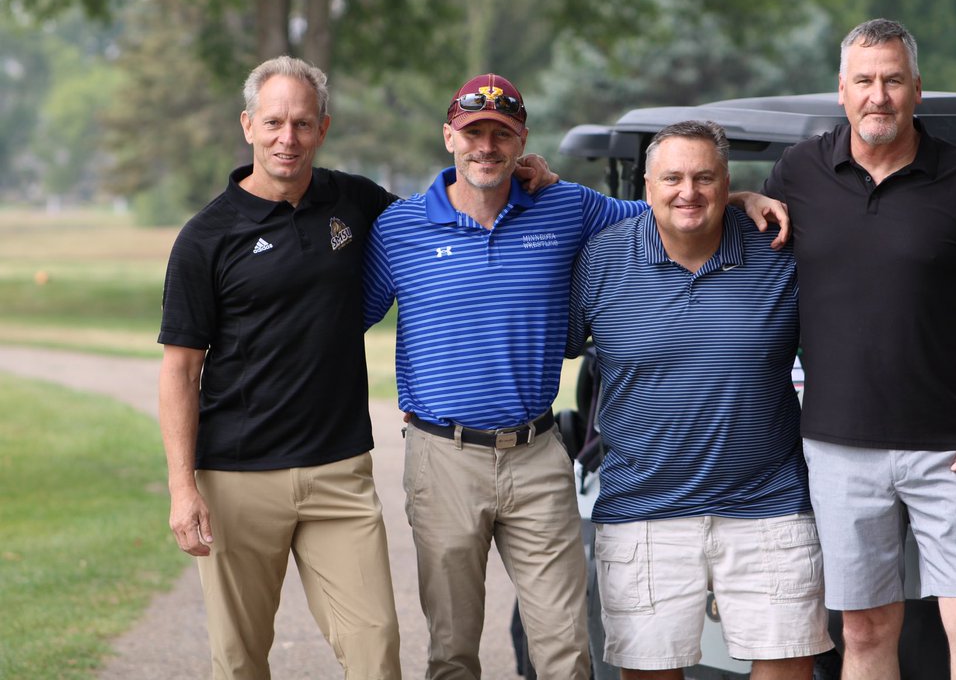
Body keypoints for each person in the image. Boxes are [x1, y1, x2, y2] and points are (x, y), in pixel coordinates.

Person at [361, 74, 787, 680]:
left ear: (521, 142)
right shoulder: (399, 229)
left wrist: (741, 197)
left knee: (565, 649)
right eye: (473, 132)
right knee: (452, 649)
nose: (487, 147)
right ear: (449, 136)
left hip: (535, 453)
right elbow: (345, 317)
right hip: (442, 453)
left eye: (501, 135)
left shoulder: (566, 207)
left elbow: (673, 210)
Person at [763, 19, 956, 680]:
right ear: (841, 90)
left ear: (917, 89)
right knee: (865, 629)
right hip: (839, 444)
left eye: (893, 80)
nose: (878, 95)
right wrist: (746, 196)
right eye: (864, 80)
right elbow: (700, 212)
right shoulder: (797, 174)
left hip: (954, 444)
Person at [157, 56, 405, 679]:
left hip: (338, 470)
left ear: (323, 128)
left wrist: (517, 177)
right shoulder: (204, 238)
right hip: (237, 477)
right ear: (247, 126)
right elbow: (181, 371)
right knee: (239, 662)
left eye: (301, 123)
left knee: (377, 651)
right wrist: (183, 489)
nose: (286, 138)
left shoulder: (355, 200)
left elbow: (441, 223)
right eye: (273, 122)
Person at [565, 120, 834, 679]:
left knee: (788, 668)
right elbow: (540, 343)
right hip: (642, 513)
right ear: (646, 186)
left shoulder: (780, 248)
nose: (688, 191)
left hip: (769, 509)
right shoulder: (600, 259)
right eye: (673, 177)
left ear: (727, 181)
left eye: (704, 177)